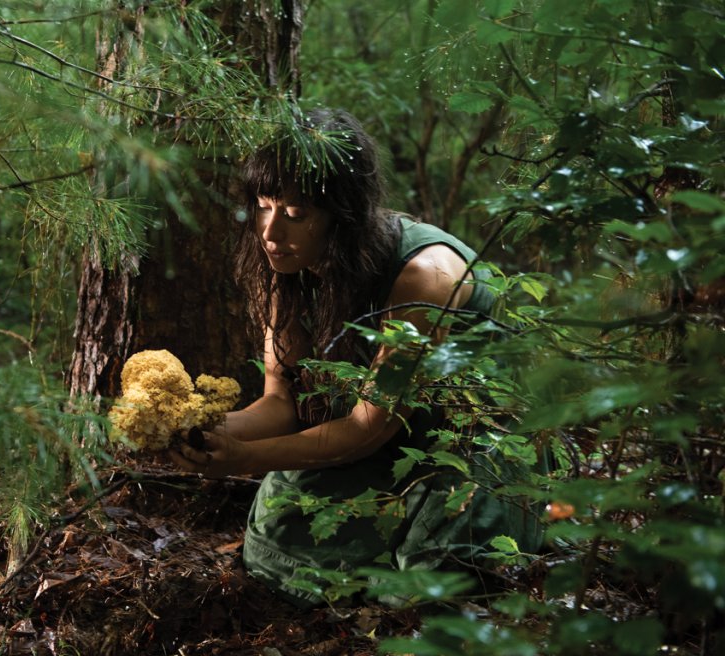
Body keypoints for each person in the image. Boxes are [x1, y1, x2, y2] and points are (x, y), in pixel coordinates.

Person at [170, 108, 543, 606]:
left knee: (432, 579)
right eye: (264, 206)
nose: (271, 230)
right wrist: (204, 431)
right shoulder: (289, 267)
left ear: (343, 218)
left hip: (466, 443)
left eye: (296, 214)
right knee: (275, 548)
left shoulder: (425, 277)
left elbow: (370, 426)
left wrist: (244, 461)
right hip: (378, 439)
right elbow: (282, 403)